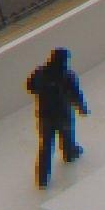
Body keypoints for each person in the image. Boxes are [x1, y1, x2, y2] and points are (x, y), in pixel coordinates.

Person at [29, 46, 89, 185]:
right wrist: (82, 108)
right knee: (67, 135)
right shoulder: (67, 76)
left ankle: (42, 178)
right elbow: (75, 94)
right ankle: (69, 153)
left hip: (45, 115)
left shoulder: (40, 73)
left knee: (46, 145)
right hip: (62, 113)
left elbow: (31, 87)